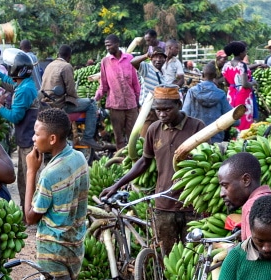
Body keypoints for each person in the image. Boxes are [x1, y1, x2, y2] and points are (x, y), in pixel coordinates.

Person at [101, 87, 204, 254]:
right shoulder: (154, 129)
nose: (162, 114)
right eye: (158, 110)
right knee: (167, 255)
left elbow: (205, 162)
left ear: (179, 104)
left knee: (194, 255)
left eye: (167, 109)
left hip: (191, 205)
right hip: (164, 203)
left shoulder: (196, 127)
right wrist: (117, 185)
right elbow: (144, 162)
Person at [23, 108, 90, 280]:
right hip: (74, 248)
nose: (33, 138)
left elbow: (30, 217)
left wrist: (31, 171)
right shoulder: (78, 158)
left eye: (36, 133)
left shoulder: (49, 174)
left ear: (51, 139)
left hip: (53, 252)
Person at [0, 52, 40, 199]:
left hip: (29, 141)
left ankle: (32, 212)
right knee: (23, 177)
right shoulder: (23, 83)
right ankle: (25, 210)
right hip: (25, 140)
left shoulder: (25, 89)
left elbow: (15, 116)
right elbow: (5, 79)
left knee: (29, 179)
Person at [39, 45, 101, 151]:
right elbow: (71, 90)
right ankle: (88, 137)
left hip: (47, 103)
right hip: (60, 104)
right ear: (69, 56)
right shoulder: (66, 66)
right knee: (91, 103)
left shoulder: (50, 65)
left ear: (58, 54)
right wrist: (77, 98)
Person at [95, 35, 141, 150]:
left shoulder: (130, 58)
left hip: (131, 104)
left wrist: (138, 100)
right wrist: (96, 98)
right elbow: (103, 85)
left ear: (117, 44)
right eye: (106, 46)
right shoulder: (105, 62)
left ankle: (133, 160)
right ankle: (121, 161)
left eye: (109, 45)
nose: (107, 48)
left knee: (133, 136)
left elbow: (135, 82)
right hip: (115, 105)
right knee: (119, 137)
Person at [183, 64, 231, 142]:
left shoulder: (192, 91)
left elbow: (185, 114)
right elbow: (231, 117)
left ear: (202, 75)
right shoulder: (221, 94)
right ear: (215, 76)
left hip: (195, 138)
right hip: (216, 137)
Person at [222, 41, 254, 131]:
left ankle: (233, 136)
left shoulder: (226, 65)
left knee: (233, 116)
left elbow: (226, 82)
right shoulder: (242, 65)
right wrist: (254, 83)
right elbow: (245, 84)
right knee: (243, 118)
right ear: (240, 53)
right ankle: (242, 137)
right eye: (245, 52)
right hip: (243, 95)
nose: (245, 54)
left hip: (231, 94)